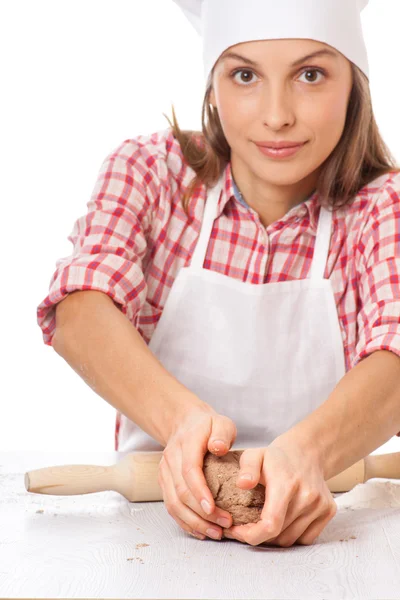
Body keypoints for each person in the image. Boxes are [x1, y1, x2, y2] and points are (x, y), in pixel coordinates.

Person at [37, 0, 400, 548]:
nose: (277, 114)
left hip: (331, 538)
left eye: (310, 74)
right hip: (148, 537)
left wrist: (309, 453)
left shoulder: (382, 208)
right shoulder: (152, 172)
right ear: (213, 86)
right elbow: (80, 309)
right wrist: (183, 423)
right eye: (245, 75)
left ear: (354, 86)